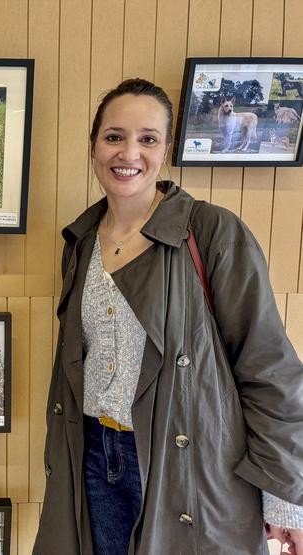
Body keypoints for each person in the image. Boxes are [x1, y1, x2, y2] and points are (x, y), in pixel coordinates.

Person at [33, 78, 303, 554]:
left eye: (147, 139)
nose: (128, 153)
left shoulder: (211, 231)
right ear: (94, 144)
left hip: (185, 464)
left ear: (167, 148)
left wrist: (285, 498)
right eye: (114, 136)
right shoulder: (82, 241)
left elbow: (268, 368)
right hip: (97, 456)